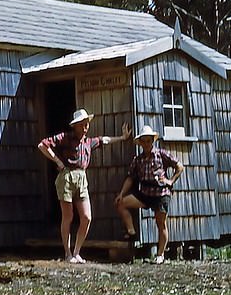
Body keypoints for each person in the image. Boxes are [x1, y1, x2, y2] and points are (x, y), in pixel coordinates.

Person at [38, 108, 132, 263]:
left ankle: (77, 252)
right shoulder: (65, 138)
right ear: (75, 126)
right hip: (67, 177)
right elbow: (42, 145)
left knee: (87, 217)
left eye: (86, 124)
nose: (85, 127)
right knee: (68, 217)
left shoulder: (88, 142)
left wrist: (122, 137)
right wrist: (58, 161)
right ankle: (67, 253)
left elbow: (104, 140)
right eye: (82, 124)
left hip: (82, 178)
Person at [114, 125, 184, 264]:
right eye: (143, 141)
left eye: (148, 141)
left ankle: (160, 255)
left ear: (152, 141)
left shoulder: (161, 154)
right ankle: (131, 232)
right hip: (145, 193)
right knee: (121, 203)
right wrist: (121, 193)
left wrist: (171, 181)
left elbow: (180, 167)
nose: (146, 144)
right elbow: (130, 177)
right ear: (140, 142)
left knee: (161, 223)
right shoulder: (138, 160)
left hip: (160, 193)